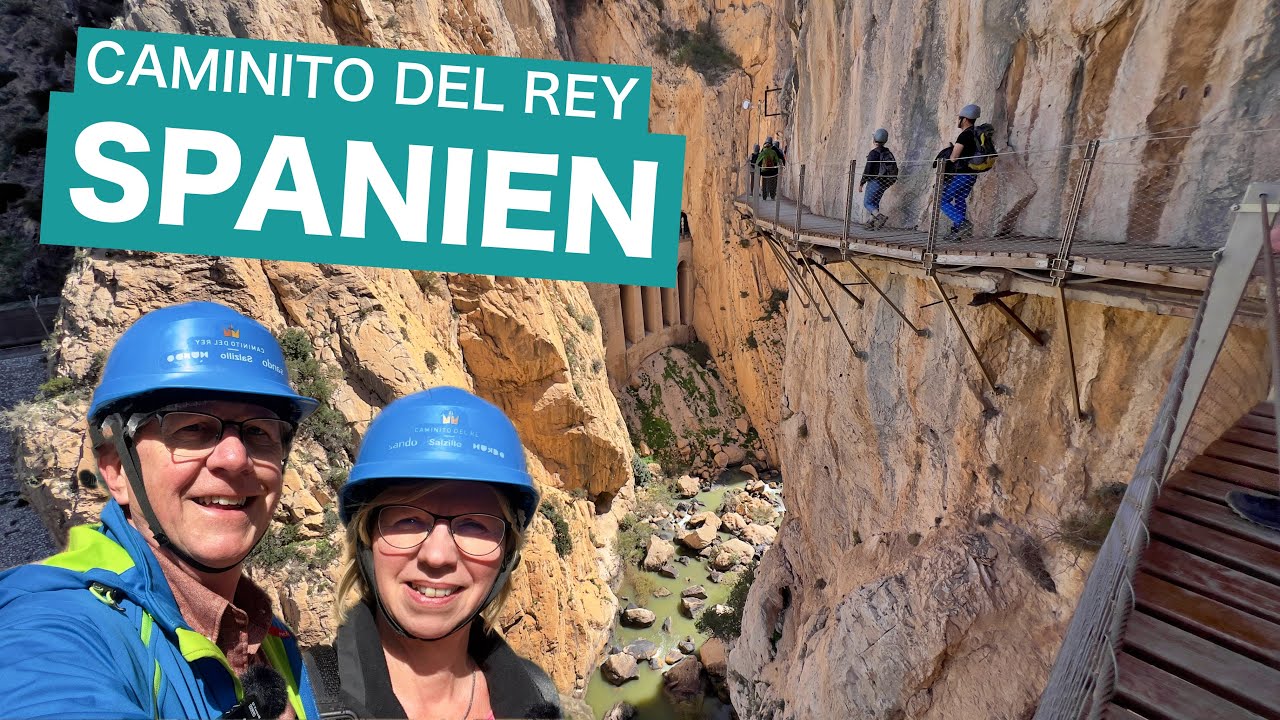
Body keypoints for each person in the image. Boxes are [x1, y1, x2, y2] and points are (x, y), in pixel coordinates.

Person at [0, 301, 324, 718]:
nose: (234, 458)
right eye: (191, 428)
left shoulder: (268, 638)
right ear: (117, 471)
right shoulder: (52, 625)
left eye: (259, 432)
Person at [306, 386, 562, 719]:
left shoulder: (538, 696)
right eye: (408, 519)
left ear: (506, 557)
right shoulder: (299, 700)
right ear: (367, 539)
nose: (437, 556)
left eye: (474, 525)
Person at [940, 103, 982, 242]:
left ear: (964, 119)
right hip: (972, 174)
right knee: (959, 199)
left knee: (942, 200)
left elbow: (954, 157)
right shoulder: (976, 133)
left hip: (962, 174)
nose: (958, 120)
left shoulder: (964, 136)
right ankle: (958, 231)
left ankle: (962, 223)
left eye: (960, 118)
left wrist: (949, 151)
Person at [858, 128, 897, 230]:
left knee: (867, 203)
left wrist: (862, 182)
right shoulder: (888, 152)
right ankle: (870, 223)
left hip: (875, 180)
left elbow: (868, 169)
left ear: (874, 139)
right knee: (875, 202)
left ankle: (880, 217)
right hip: (886, 182)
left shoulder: (873, 153)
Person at [757, 136, 784, 201]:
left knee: (764, 183)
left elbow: (758, 161)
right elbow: (777, 160)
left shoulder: (763, 152)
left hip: (764, 170)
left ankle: (764, 196)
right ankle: (772, 196)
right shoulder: (773, 152)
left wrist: (759, 167)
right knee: (772, 183)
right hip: (772, 170)